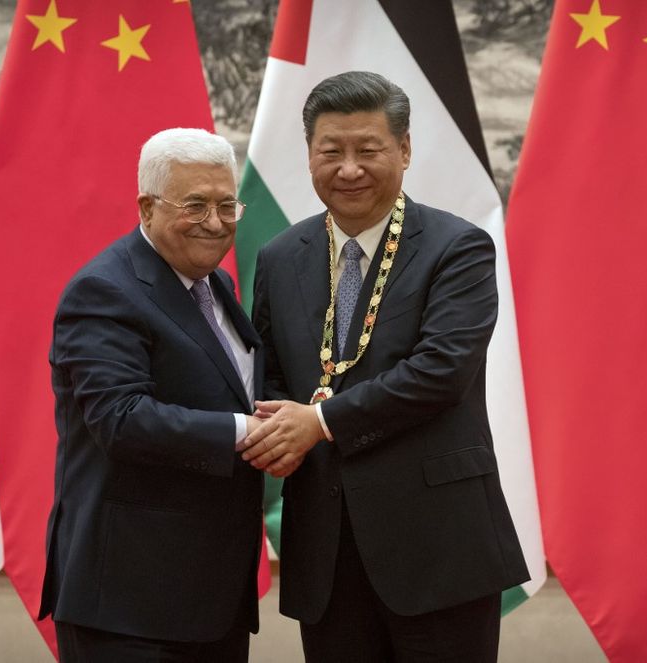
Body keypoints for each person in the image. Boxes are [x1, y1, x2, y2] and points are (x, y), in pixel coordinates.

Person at [243, 71, 530, 662]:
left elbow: (441, 371)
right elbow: (269, 375)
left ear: (403, 150)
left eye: (368, 150)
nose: (349, 169)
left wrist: (318, 424)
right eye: (331, 151)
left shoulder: (458, 247)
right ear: (309, 156)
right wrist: (274, 429)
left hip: (438, 544)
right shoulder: (278, 257)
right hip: (326, 550)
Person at [38, 128, 264, 662]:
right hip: (129, 605)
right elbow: (120, 418)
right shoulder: (105, 290)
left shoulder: (218, 287)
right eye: (195, 205)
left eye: (228, 205)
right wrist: (248, 432)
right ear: (146, 207)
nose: (215, 223)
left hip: (210, 598)